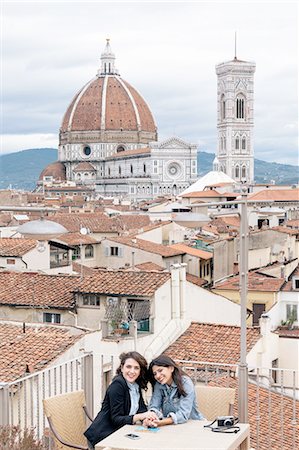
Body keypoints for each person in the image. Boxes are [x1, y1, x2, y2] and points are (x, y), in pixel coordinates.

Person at [84, 351, 157, 447]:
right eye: (128, 367)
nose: (132, 371)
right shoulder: (118, 385)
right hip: (103, 437)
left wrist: (146, 419)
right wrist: (141, 416)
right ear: (122, 368)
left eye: (136, 368)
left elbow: (141, 409)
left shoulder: (135, 385)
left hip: (120, 433)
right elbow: (116, 419)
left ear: (140, 371)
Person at [143, 354, 204, 428]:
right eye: (155, 373)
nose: (157, 376)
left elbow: (183, 414)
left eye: (160, 370)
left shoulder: (186, 383)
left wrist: (161, 422)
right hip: (170, 427)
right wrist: (151, 417)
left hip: (192, 424)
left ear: (171, 368)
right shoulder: (159, 384)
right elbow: (154, 406)